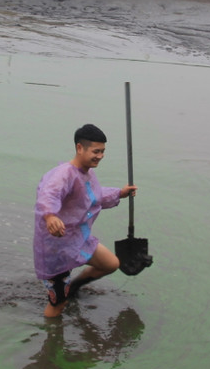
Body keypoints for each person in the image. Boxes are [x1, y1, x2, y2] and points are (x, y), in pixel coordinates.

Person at [33, 124, 136, 318]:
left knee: (111, 264)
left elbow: (92, 197)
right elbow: (48, 196)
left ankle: (73, 288)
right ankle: (51, 339)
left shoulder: (87, 173)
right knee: (57, 305)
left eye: (103, 151)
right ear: (80, 148)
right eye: (96, 151)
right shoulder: (63, 174)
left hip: (78, 238)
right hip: (56, 246)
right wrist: (50, 216)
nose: (100, 156)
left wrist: (119, 194)